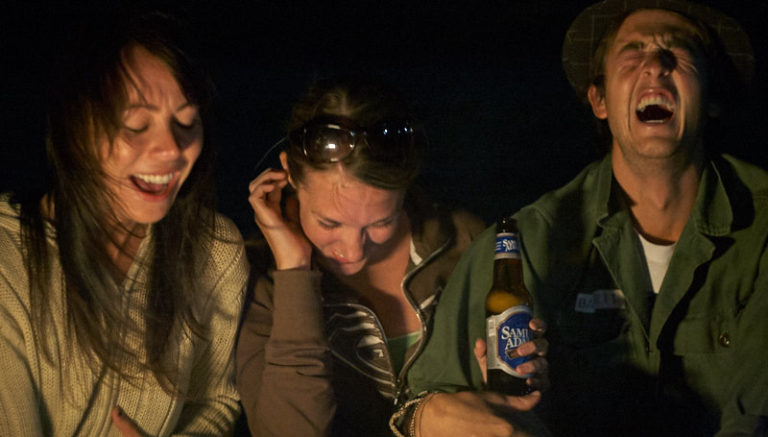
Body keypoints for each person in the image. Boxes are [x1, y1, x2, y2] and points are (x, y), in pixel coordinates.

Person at [407, 0, 768, 435]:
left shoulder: (761, 227)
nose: (655, 65)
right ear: (598, 100)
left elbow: (755, 418)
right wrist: (458, 413)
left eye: (679, 49)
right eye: (633, 51)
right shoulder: (524, 245)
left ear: (711, 97)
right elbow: (427, 403)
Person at [235, 76, 550, 436]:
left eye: (381, 222)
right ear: (289, 173)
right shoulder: (258, 280)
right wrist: (294, 272)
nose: (352, 250)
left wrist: (518, 381)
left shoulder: (466, 242)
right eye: (329, 223)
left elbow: (523, 413)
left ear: (405, 187)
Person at [0, 11, 249, 436]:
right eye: (136, 124)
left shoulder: (216, 250)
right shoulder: (10, 262)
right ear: (74, 125)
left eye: (187, 122)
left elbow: (216, 400)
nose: (172, 148)